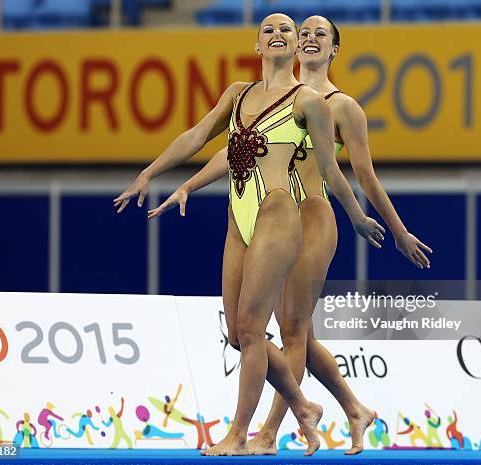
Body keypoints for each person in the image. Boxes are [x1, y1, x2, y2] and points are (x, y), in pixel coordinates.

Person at [150, 16, 431, 455]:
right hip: (268, 216)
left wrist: (398, 231)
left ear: (335, 50)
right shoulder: (276, 98)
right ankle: (353, 408)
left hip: (313, 215)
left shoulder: (341, 106)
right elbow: (239, 151)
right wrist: (187, 183)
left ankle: (267, 432)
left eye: (323, 35)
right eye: (307, 33)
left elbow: (366, 179)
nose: (311, 39)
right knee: (280, 332)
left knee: (292, 330)